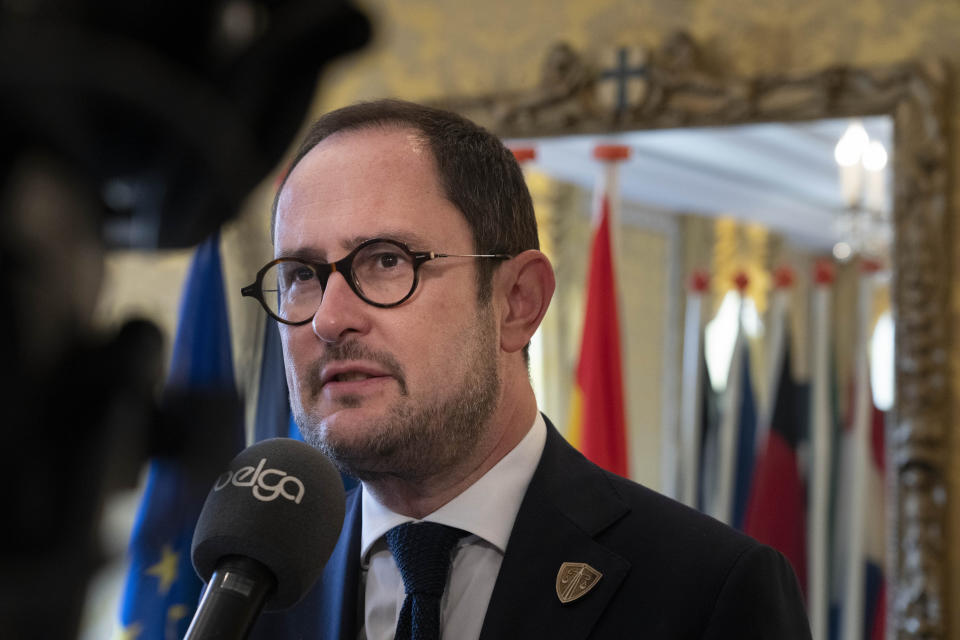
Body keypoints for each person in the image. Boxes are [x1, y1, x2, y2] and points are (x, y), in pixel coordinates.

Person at [243, 99, 812, 639]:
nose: (329, 318)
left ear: (517, 301)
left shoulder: (707, 590)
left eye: (387, 261)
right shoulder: (250, 589)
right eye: (301, 274)